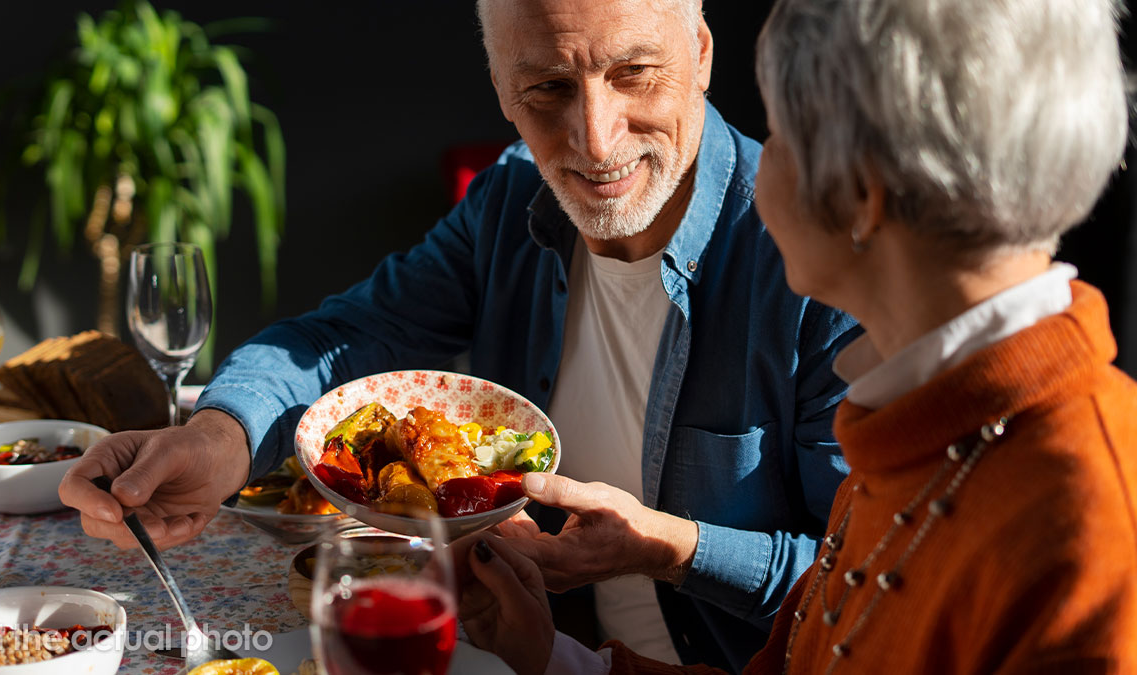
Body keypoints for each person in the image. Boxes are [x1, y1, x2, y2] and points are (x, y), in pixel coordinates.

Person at [59, 0, 859, 669]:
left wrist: (669, 546)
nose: (595, 136)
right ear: (503, 92)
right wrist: (217, 438)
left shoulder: (820, 261)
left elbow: (865, 581)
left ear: (702, 52)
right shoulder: (510, 199)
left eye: (634, 72)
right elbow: (349, 334)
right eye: (547, 86)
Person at [450, 0, 1137, 672]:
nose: (753, 158)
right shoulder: (913, 421)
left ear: (860, 193)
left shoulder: (1092, 527)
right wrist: (553, 656)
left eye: (778, 133)